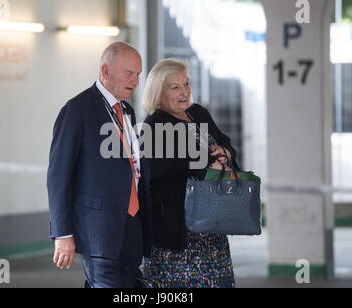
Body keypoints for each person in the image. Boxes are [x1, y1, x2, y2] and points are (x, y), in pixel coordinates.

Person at [47, 41, 152, 288]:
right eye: (129, 73)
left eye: (138, 74)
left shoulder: (127, 111)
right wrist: (62, 234)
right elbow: (58, 177)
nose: (136, 81)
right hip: (99, 234)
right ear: (106, 72)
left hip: (131, 229)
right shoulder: (77, 110)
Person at [140, 58, 239, 288]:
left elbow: (225, 145)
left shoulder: (198, 114)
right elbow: (159, 172)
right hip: (177, 234)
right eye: (175, 87)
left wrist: (225, 153)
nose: (184, 92)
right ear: (158, 91)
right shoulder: (153, 126)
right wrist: (207, 165)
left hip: (211, 232)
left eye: (186, 84)